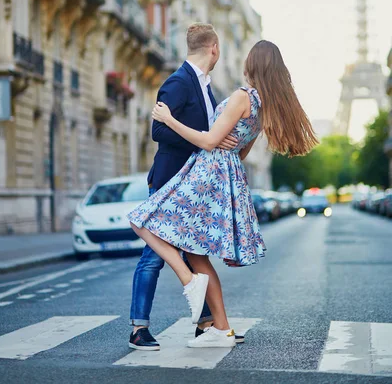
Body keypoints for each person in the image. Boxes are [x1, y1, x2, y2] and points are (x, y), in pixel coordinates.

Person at [128, 39, 318, 349]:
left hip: (205, 175)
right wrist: (220, 143)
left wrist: (169, 120)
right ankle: (222, 329)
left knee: (142, 221)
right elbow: (239, 152)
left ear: (252, 65)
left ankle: (189, 281)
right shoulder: (262, 107)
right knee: (197, 255)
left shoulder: (242, 97)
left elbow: (207, 141)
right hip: (226, 174)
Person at [129, 23, 240, 351]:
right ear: (214, 49)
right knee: (153, 256)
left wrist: (220, 139)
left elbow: (208, 131)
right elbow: (158, 132)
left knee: (195, 253)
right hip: (169, 183)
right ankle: (138, 328)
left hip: (192, 187)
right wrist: (204, 143)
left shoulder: (205, 86)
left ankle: (210, 325)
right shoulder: (178, 82)